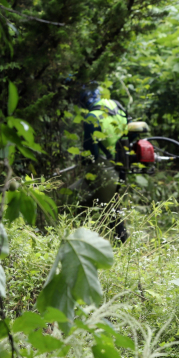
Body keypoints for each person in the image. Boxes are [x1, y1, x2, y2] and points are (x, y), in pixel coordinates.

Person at [70, 84, 129, 242]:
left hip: (105, 171)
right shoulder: (117, 108)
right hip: (121, 168)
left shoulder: (92, 117)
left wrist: (80, 159)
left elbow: (92, 154)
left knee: (109, 212)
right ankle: (78, 237)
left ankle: (118, 246)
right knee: (77, 199)